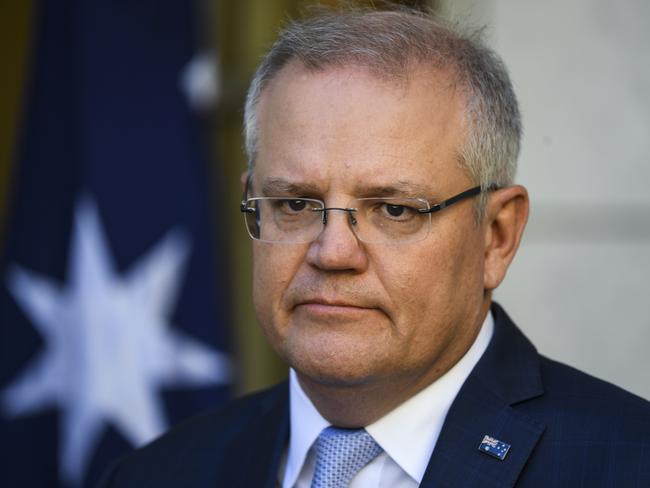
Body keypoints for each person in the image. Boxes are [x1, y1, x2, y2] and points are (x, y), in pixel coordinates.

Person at [98, 7, 650, 487]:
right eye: (295, 204)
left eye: (394, 210)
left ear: (496, 236)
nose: (333, 252)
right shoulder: (157, 474)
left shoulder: (628, 464)